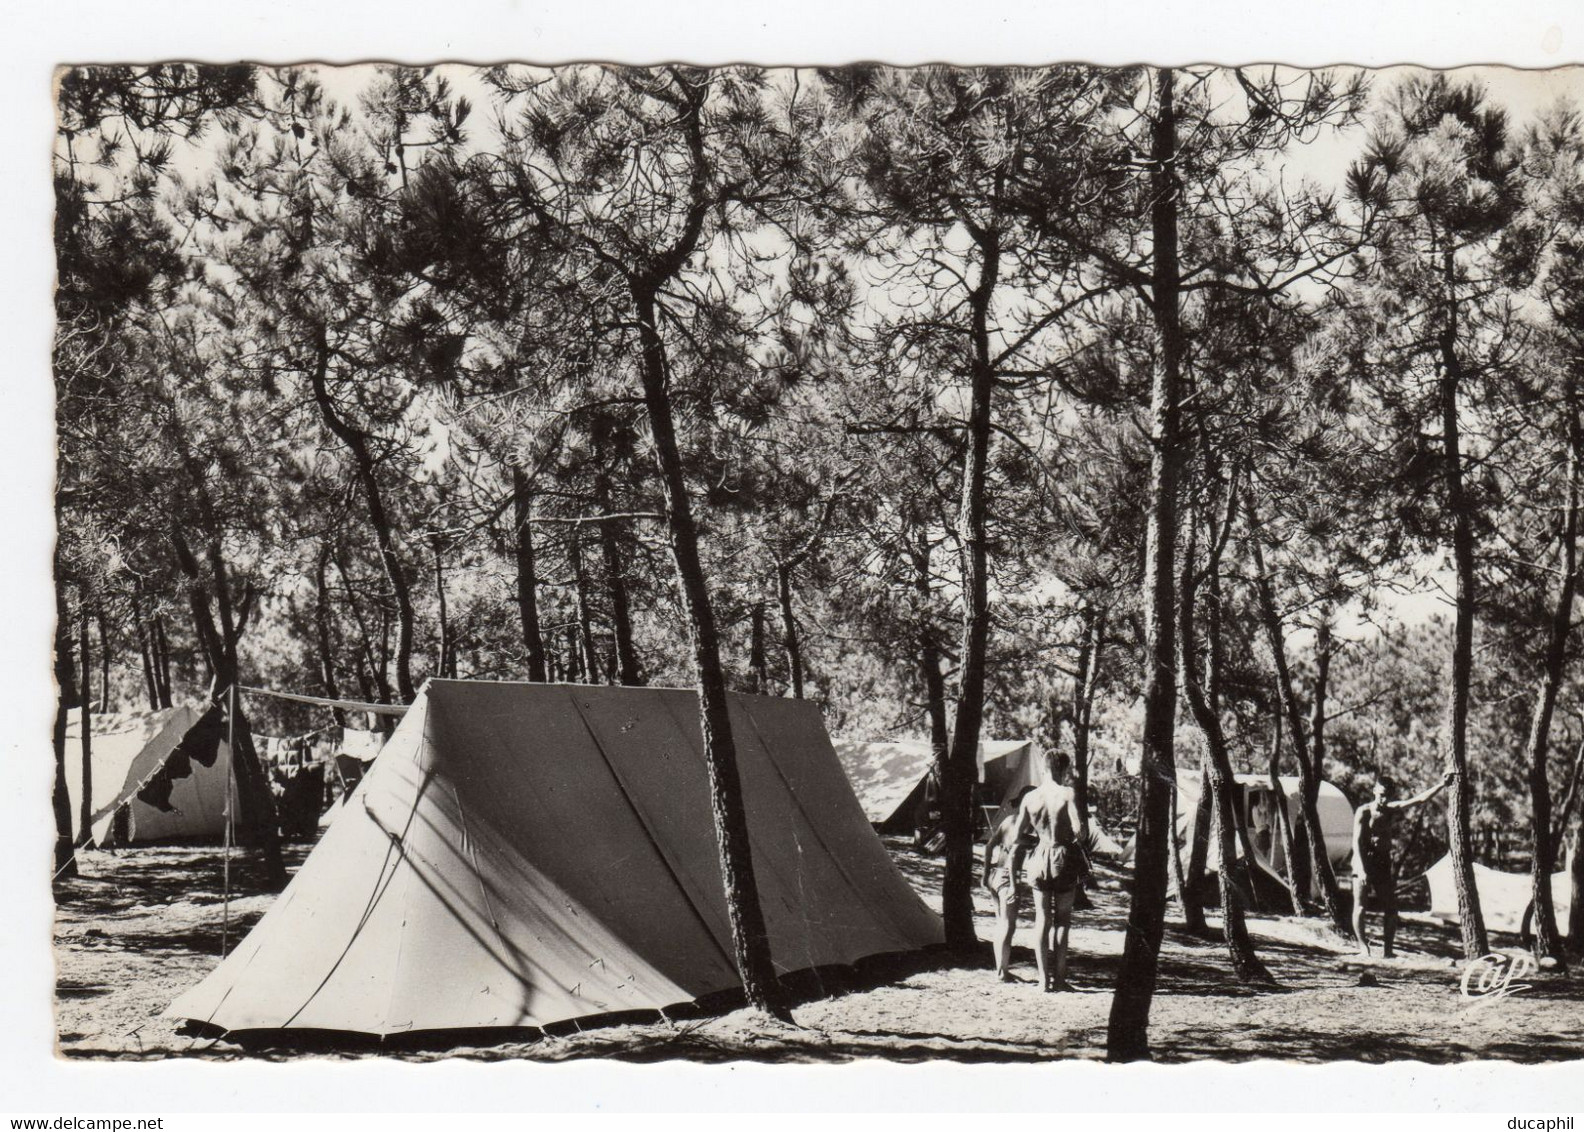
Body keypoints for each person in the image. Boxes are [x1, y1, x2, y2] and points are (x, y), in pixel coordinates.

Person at [1352, 769, 1455, 958]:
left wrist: (1442, 784)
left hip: (1382, 863)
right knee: (1360, 907)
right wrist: (1361, 869)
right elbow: (1356, 842)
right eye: (1381, 795)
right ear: (1374, 790)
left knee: (1391, 908)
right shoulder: (1364, 812)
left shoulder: (1390, 810)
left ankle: (1388, 951)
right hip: (1363, 860)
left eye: (1387, 796)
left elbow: (1418, 800)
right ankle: (1363, 947)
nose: (1383, 800)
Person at [1015, 750, 1089, 992]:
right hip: (1063, 858)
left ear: (1044, 768)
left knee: (1041, 919)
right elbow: (1081, 832)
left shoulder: (1030, 797)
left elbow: (1017, 837)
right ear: (1064, 770)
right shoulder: (1067, 794)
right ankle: (1059, 979)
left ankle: (1042, 981)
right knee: (1062, 921)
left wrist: (1038, 842)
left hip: (1038, 858)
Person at [982, 787, 1036, 982]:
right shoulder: (1027, 826)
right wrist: (1014, 884)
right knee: (1007, 926)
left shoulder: (1007, 821)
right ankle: (1001, 972)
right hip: (1007, 877)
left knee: (1000, 924)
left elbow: (989, 846)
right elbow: (1013, 858)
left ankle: (1000, 968)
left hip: (995, 875)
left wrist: (985, 872)